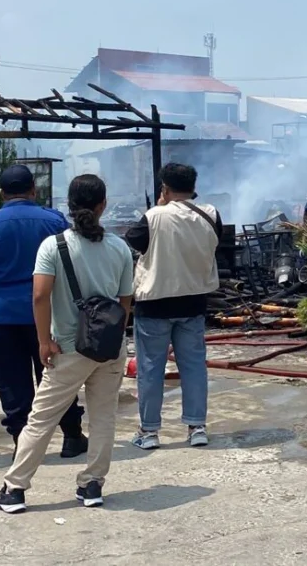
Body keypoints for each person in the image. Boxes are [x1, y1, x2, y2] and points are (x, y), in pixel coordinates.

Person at [0, 174, 133, 513]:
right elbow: (126, 300)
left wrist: (44, 341)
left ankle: (15, 489)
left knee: (41, 419)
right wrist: (111, 334)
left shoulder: (54, 246)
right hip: (109, 350)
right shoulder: (119, 247)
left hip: (68, 348)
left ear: (69, 206)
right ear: (102, 206)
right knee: (103, 418)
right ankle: (92, 484)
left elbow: (40, 295)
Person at [0, 164, 88, 458]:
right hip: (50, 316)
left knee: (12, 382)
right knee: (57, 377)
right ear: (34, 190)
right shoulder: (54, 221)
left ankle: (22, 442)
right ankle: (72, 436)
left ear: (1, 193)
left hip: (2, 317)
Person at [126, 163, 221, 450]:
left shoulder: (152, 217)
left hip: (154, 304)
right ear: (193, 187)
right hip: (193, 302)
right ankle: (196, 427)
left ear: (164, 189)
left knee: (150, 368)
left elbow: (134, 242)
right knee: (193, 367)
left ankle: (149, 431)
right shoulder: (210, 214)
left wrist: (159, 207)